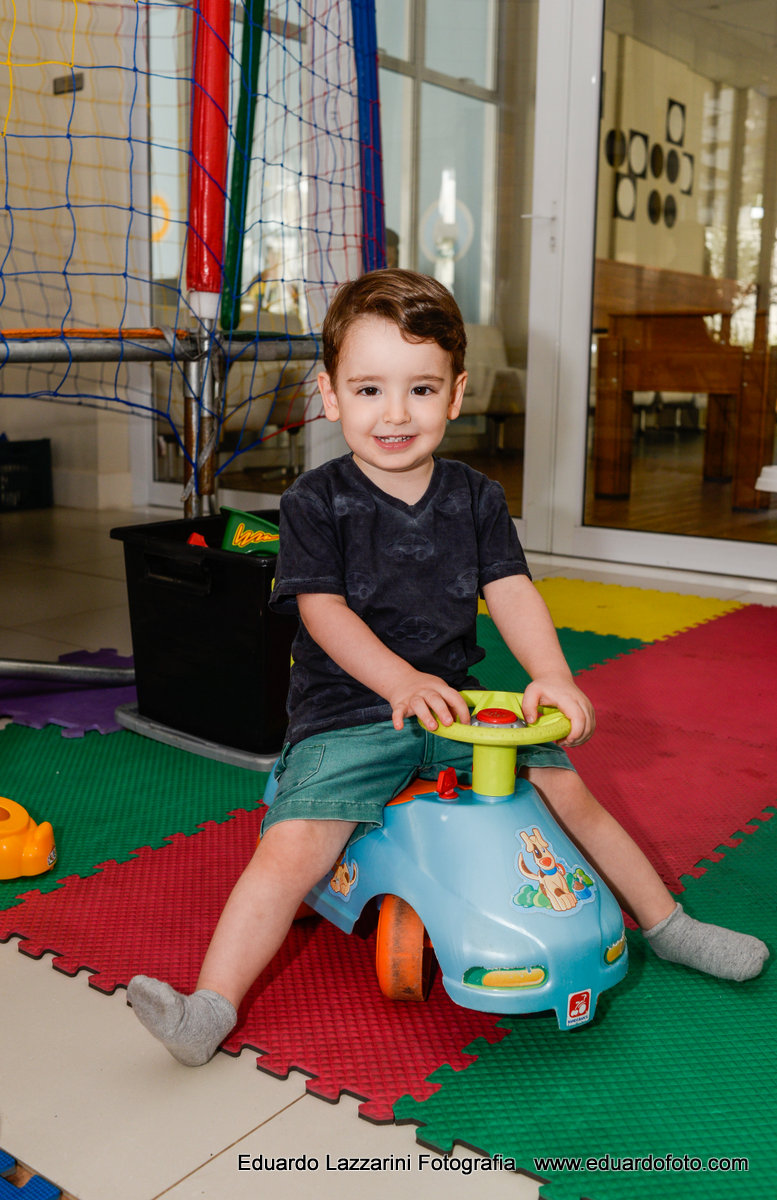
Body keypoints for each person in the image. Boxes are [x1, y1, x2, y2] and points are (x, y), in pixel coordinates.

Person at [129, 269, 768, 1065]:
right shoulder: (311, 502)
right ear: (328, 395)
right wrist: (395, 681)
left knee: (568, 788)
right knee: (292, 845)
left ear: (456, 394)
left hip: (459, 707)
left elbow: (511, 592)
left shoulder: (474, 497)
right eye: (368, 389)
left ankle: (667, 925)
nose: (394, 413)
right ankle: (209, 1009)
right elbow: (323, 612)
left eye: (420, 389)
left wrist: (552, 674)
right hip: (350, 713)